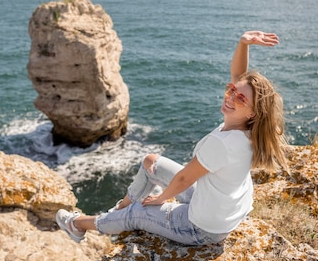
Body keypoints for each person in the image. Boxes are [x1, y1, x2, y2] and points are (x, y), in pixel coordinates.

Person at [56, 31, 289, 246]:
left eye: (240, 98)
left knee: (136, 213)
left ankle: (77, 225)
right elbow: (240, 79)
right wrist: (243, 43)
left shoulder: (223, 143)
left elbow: (185, 178)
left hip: (202, 228)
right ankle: (118, 208)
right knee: (150, 162)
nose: (230, 97)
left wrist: (161, 199)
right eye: (231, 90)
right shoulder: (248, 127)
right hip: (216, 206)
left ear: (252, 113)